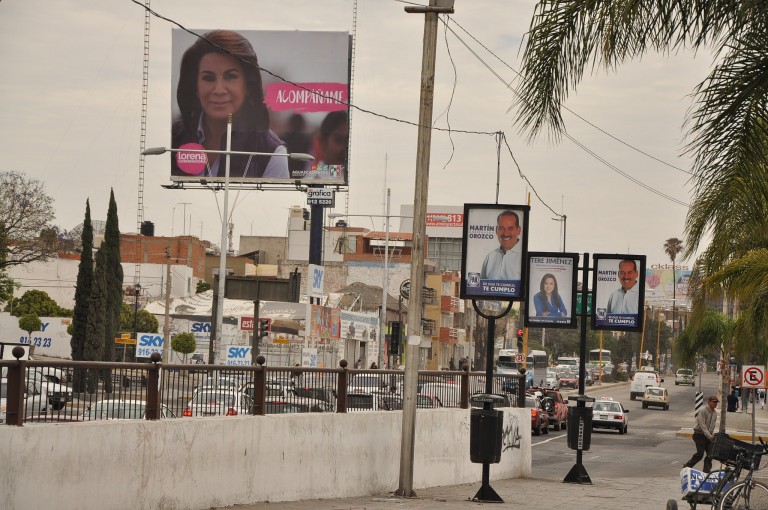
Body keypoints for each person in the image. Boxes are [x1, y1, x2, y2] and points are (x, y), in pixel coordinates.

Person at [172, 30, 289, 179]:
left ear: (248, 86)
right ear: (195, 86)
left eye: (231, 77)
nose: (219, 90)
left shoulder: (271, 153)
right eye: (208, 78)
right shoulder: (172, 138)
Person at [480, 210, 523, 280]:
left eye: (510, 228)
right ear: (496, 231)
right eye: (501, 228)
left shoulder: (525, 258)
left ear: (518, 230)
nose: (506, 233)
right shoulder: (489, 257)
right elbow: (481, 288)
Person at [683, 395, 719, 472]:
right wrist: (710, 436)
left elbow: (712, 427)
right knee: (700, 454)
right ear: (709, 402)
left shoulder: (715, 413)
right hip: (699, 435)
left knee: (711, 454)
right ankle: (687, 467)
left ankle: (706, 472)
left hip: (708, 436)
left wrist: (711, 436)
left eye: (716, 402)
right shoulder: (703, 411)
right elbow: (703, 426)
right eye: (714, 402)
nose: (715, 404)